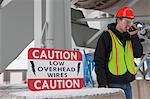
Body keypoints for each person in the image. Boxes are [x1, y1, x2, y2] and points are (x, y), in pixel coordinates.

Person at [94, 6, 143, 99]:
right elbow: (99, 61)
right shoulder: (107, 36)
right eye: (127, 21)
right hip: (113, 84)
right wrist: (102, 84)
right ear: (118, 20)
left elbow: (138, 54)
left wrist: (134, 36)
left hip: (127, 83)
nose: (129, 25)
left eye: (131, 22)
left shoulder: (130, 37)